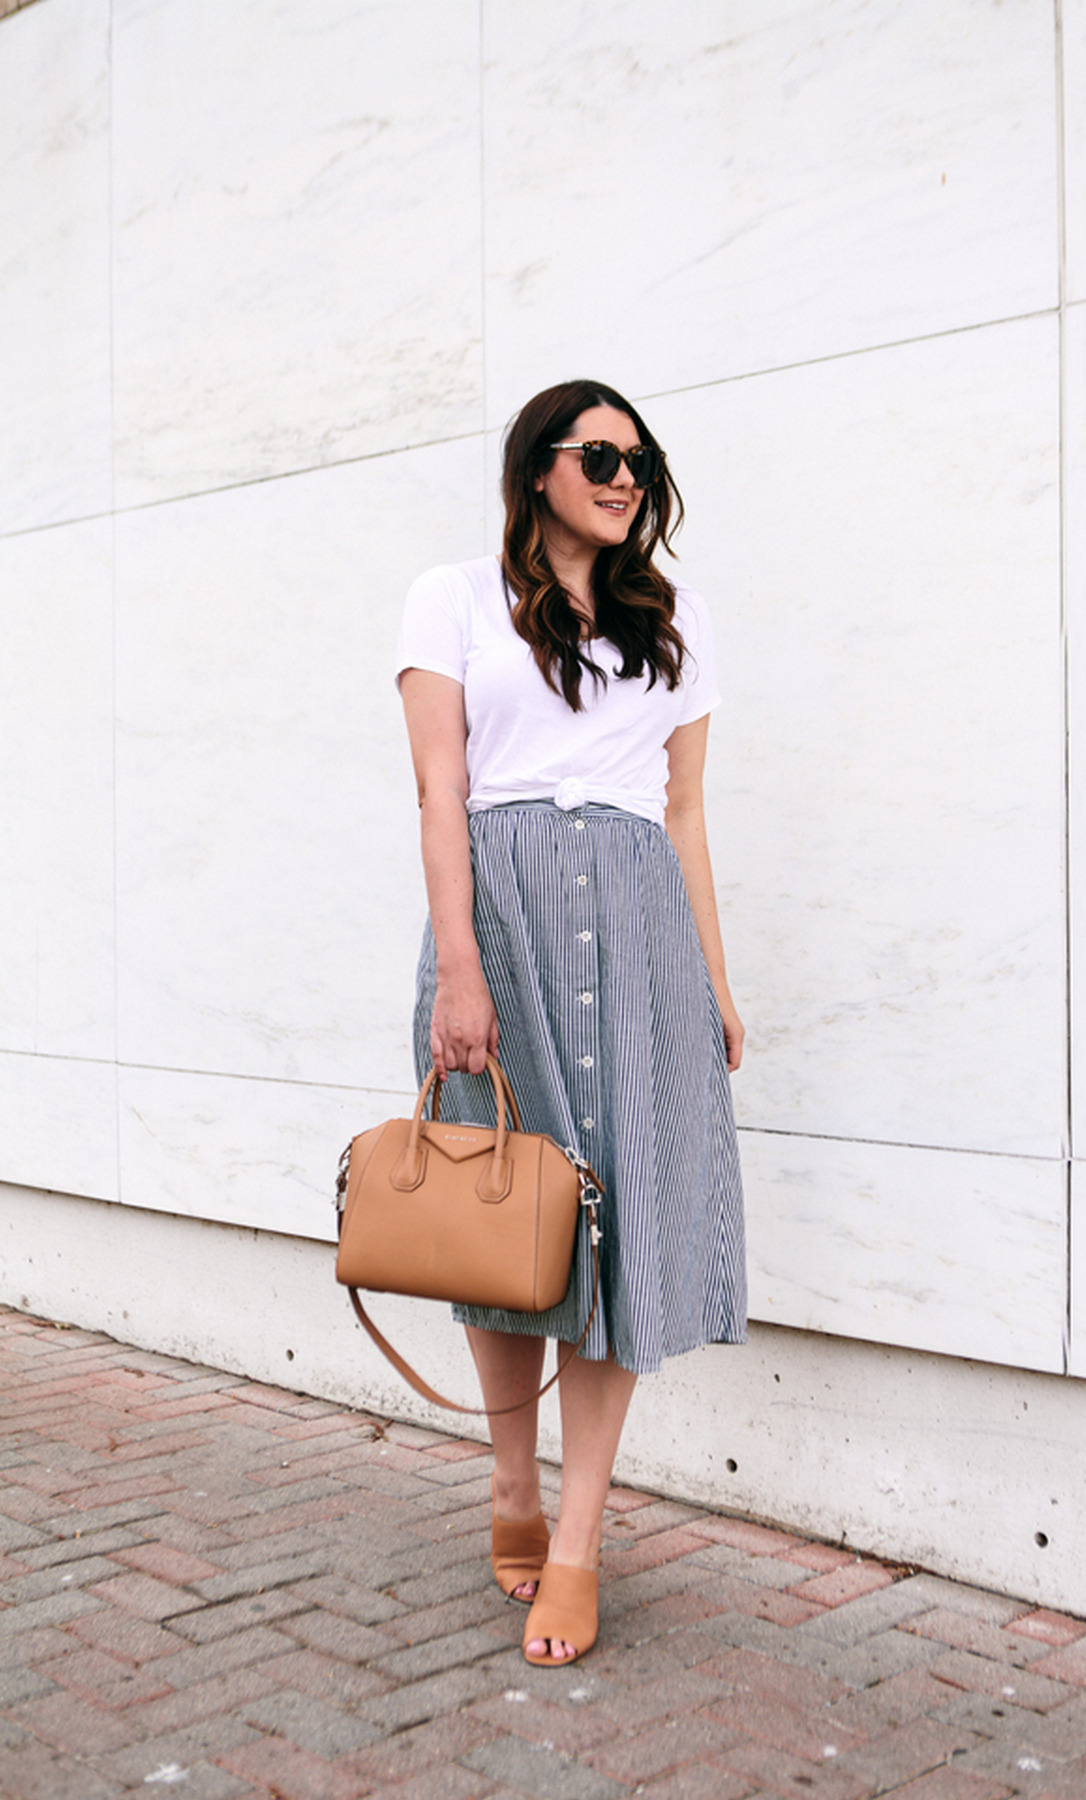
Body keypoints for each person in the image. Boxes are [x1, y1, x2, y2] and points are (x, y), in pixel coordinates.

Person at [395, 379, 746, 1667]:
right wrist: (457, 972)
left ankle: (582, 1540)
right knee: (504, 1212)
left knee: (622, 1230)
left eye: (639, 463)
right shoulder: (452, 598)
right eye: (599, 454)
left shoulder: (676, 619)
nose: (623, 478)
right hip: (502, 924)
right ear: (537, 466)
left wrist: (713, 982)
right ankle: (509, 1486)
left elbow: (686, 810)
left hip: (644, 934)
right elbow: (441, 794)